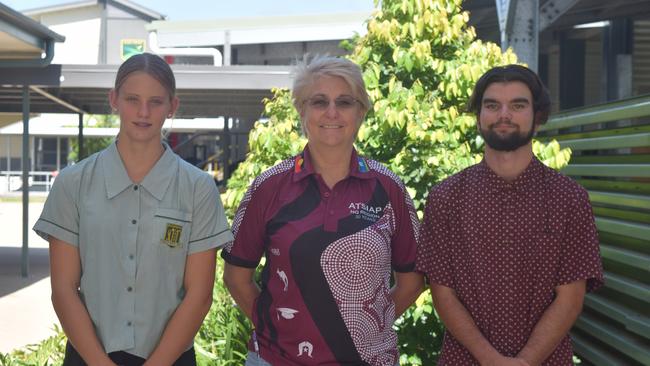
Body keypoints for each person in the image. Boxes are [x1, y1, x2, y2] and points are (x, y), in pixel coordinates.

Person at [33, 53, 233, 366]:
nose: (143, 112)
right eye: (132, 99)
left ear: (172, 106)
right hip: (89, 357)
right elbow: (63, 288)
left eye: (156, 101)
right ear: (113, 100)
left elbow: (199, 296)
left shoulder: (198, 189)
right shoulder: (73, 184)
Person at [222, 56, 424, 366]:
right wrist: (276, 330)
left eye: (344, 102)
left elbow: (412, 283)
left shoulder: (388, 188)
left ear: (361, 112)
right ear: (301, 110)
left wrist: (362, 329)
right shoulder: (269, 187)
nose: (332, 112)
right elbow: (237, 278)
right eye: (319, 101)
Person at [416, 64, 603, 365]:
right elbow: (442, 293)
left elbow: (570, 298)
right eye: (492, 105)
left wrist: (525, 361)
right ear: (478, 115)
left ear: (537, 116)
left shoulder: (569, 198)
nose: (504, 115)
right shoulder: (445, 198)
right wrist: (490, 359)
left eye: (518, 105)